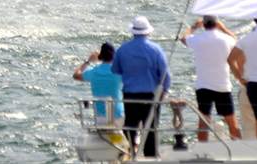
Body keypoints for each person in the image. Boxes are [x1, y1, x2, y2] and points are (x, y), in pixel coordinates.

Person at [112, 16, 170, 158]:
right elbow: (166, 75)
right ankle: (151, 157)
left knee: (130, 126)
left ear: (133, 31)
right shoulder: (156, 49)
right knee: (151, 128)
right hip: (151, 96)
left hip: (130, 95)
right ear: (148, 31)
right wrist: (165, 91)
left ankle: (129, 154)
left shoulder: (123, 49)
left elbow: (115, 70)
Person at [181, 16, 240, 141]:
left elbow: (184, 38)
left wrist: (194, 27)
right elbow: (235, 39)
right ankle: (238, 148)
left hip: (203, 85)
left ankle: (203, 149)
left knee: (203, 121)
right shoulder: (226, 39)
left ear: (204, 24)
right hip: (222, 85)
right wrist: (223, 28)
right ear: (216, 23)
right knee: (231, 121)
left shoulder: (198, 39)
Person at [75, 41, 125, 131]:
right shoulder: (119, 71)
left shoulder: (94, 72)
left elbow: (76, 75)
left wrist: (88, 62)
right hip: (119, 116)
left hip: (101, 118)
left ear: (100, 57)